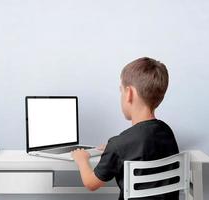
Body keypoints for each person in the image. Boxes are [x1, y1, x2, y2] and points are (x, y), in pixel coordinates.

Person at [71, 57, 179, 200]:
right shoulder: (167, 132)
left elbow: (91, 183)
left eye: (121, 91)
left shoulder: (119, 144)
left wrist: (82, 159)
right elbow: (144, 148)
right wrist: (114, 151)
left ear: (129, 93)